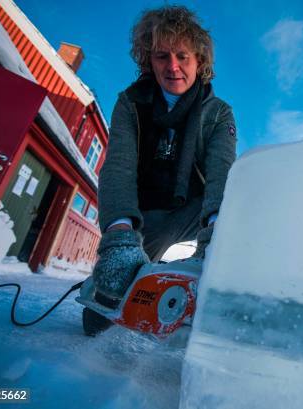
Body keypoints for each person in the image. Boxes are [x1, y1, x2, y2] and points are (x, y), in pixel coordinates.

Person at [84, 5, 237, 334]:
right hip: (146, 215)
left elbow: (221, 173)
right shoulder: (130, 104)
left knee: (245, 202)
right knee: (99, 317)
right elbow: (118, 166)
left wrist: (218, 235)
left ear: (199, 61)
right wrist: (120, 235)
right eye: (161, 56)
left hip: (195, 211)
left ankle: (229, 285)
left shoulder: (218, 113)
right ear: (148, 62)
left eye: (183, 56)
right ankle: (126, 273)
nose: (173, 66)